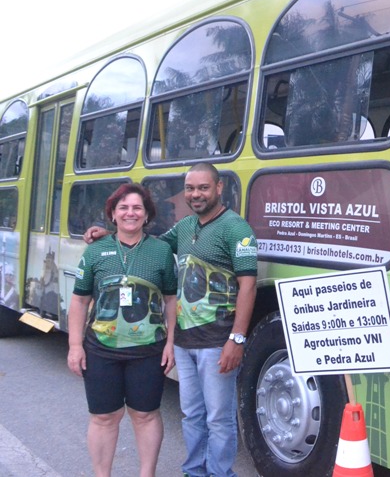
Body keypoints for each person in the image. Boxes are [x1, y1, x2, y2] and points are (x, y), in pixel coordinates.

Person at [86, 163, 257, 477]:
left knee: (219, 417)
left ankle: (219, 473)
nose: (195, 194)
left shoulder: (236, 228)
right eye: (190, 188)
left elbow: (248, 284)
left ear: (219, 188)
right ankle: (194, 470)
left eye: (203, 187)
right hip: (184, 341)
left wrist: (238, 338)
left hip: (218, 342)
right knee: (191, 414)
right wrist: (110, 235)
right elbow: (149, 247)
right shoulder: (186, 226)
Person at [68, 183, 178, 477]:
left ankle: (147, 473)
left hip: (149, 350)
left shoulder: (161, 251)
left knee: (145, 415)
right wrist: (75, 346)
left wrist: (170, 343)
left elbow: (170, 299)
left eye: (137, 208)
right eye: (123, 208)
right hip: (101, 349)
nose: (130, 213)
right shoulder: (95, 252)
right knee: (104, 417)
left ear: (146, 215)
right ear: (113, 215)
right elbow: (79, 300)